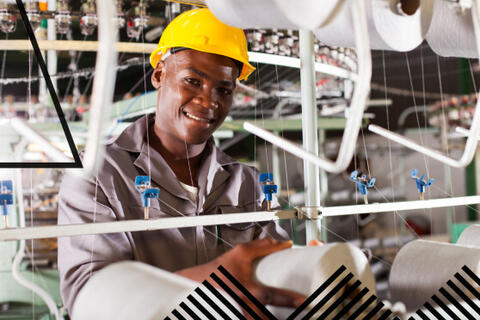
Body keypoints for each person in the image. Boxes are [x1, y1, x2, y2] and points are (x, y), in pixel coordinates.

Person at [57, 8, 305, 316]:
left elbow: (269, 267)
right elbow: (86, 295)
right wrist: (205, 286)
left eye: (224, 89)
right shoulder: (97, 174)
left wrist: (304, 267)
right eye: (192, 81)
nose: (209, 101)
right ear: (159, 74)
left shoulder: (246, 182)